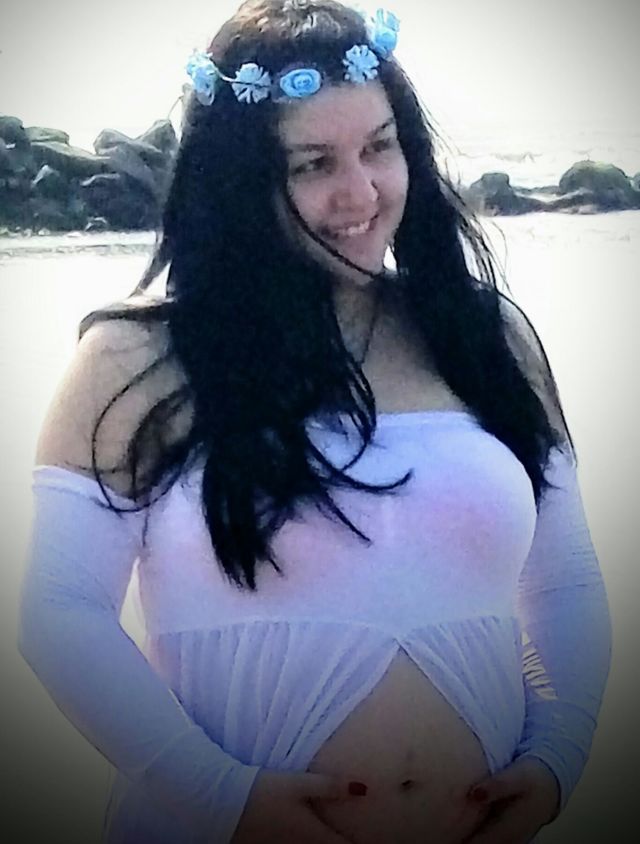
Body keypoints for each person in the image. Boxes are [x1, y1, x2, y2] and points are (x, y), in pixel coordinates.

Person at [18, 1, 612, 842]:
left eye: (379, 147)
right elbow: (62, 613)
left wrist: (560, 756)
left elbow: (565, 582)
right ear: (240, 180)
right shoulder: (135, 359)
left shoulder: (487, 338)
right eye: (313, 163)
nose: (360, 192)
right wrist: (225, 798)